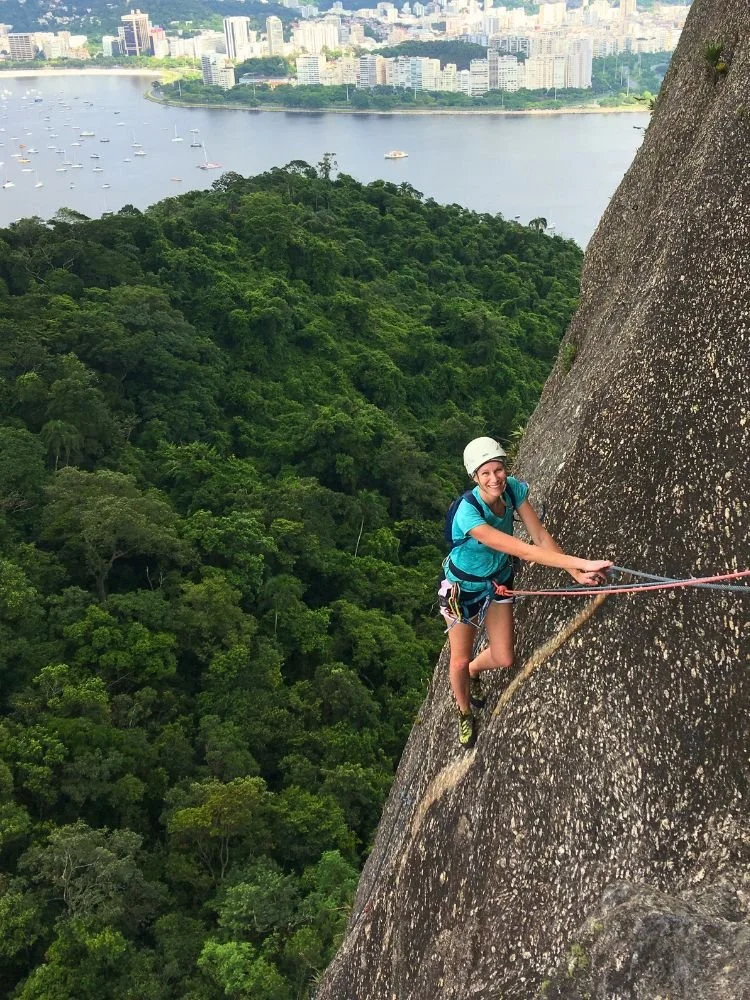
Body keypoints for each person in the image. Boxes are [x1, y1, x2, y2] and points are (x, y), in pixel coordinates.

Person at [439, 436, 612, 749]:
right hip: (462, 591)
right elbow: (524, 549)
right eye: (486, 473)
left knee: (504, 657)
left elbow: (539, 535)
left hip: (498, 580)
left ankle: (477, 671)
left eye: (498, 469)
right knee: (459, 661)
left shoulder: (514, 489)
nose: (495, 478)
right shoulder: (469, 514)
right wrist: (584, 562)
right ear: (474, 477)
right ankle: (464, 712)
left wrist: (574, 572)